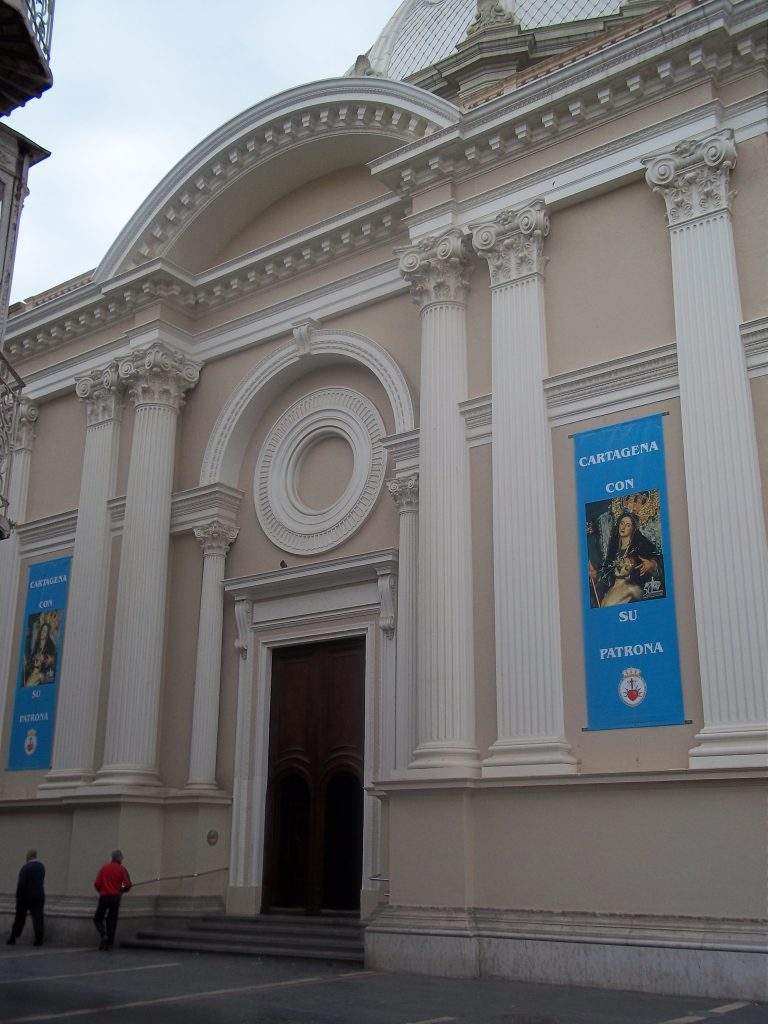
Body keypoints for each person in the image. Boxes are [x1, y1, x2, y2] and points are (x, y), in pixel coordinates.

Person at [594, 511, 664, 607]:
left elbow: (659, 558)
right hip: (613, 589)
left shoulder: (641, 546)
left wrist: (652, 564)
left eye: (628, 525)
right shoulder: (614, 546)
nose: (623, 527)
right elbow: (607, 568)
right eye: (622, 523)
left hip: (631, 592)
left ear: (633, 529)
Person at [93, 850, 132, 950]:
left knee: (98, 918)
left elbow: (97, 883)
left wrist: (101, 890)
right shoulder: (121, 869)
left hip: (104, 896)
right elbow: (126, 883)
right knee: (112, 920)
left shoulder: (104, 868)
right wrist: (121, 889)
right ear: (119, 858)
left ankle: (103, 934)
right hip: (115, 897)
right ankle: (109, 943)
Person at [7, 849, 45, 946]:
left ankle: (13, 937)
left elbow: (21, 884)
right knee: (38, 917)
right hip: (39, 895)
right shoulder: (41, 867)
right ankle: (39, 939)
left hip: (25, 896)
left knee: (20, 918)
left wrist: (18, 896)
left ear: (29, 856)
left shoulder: (25, 868)